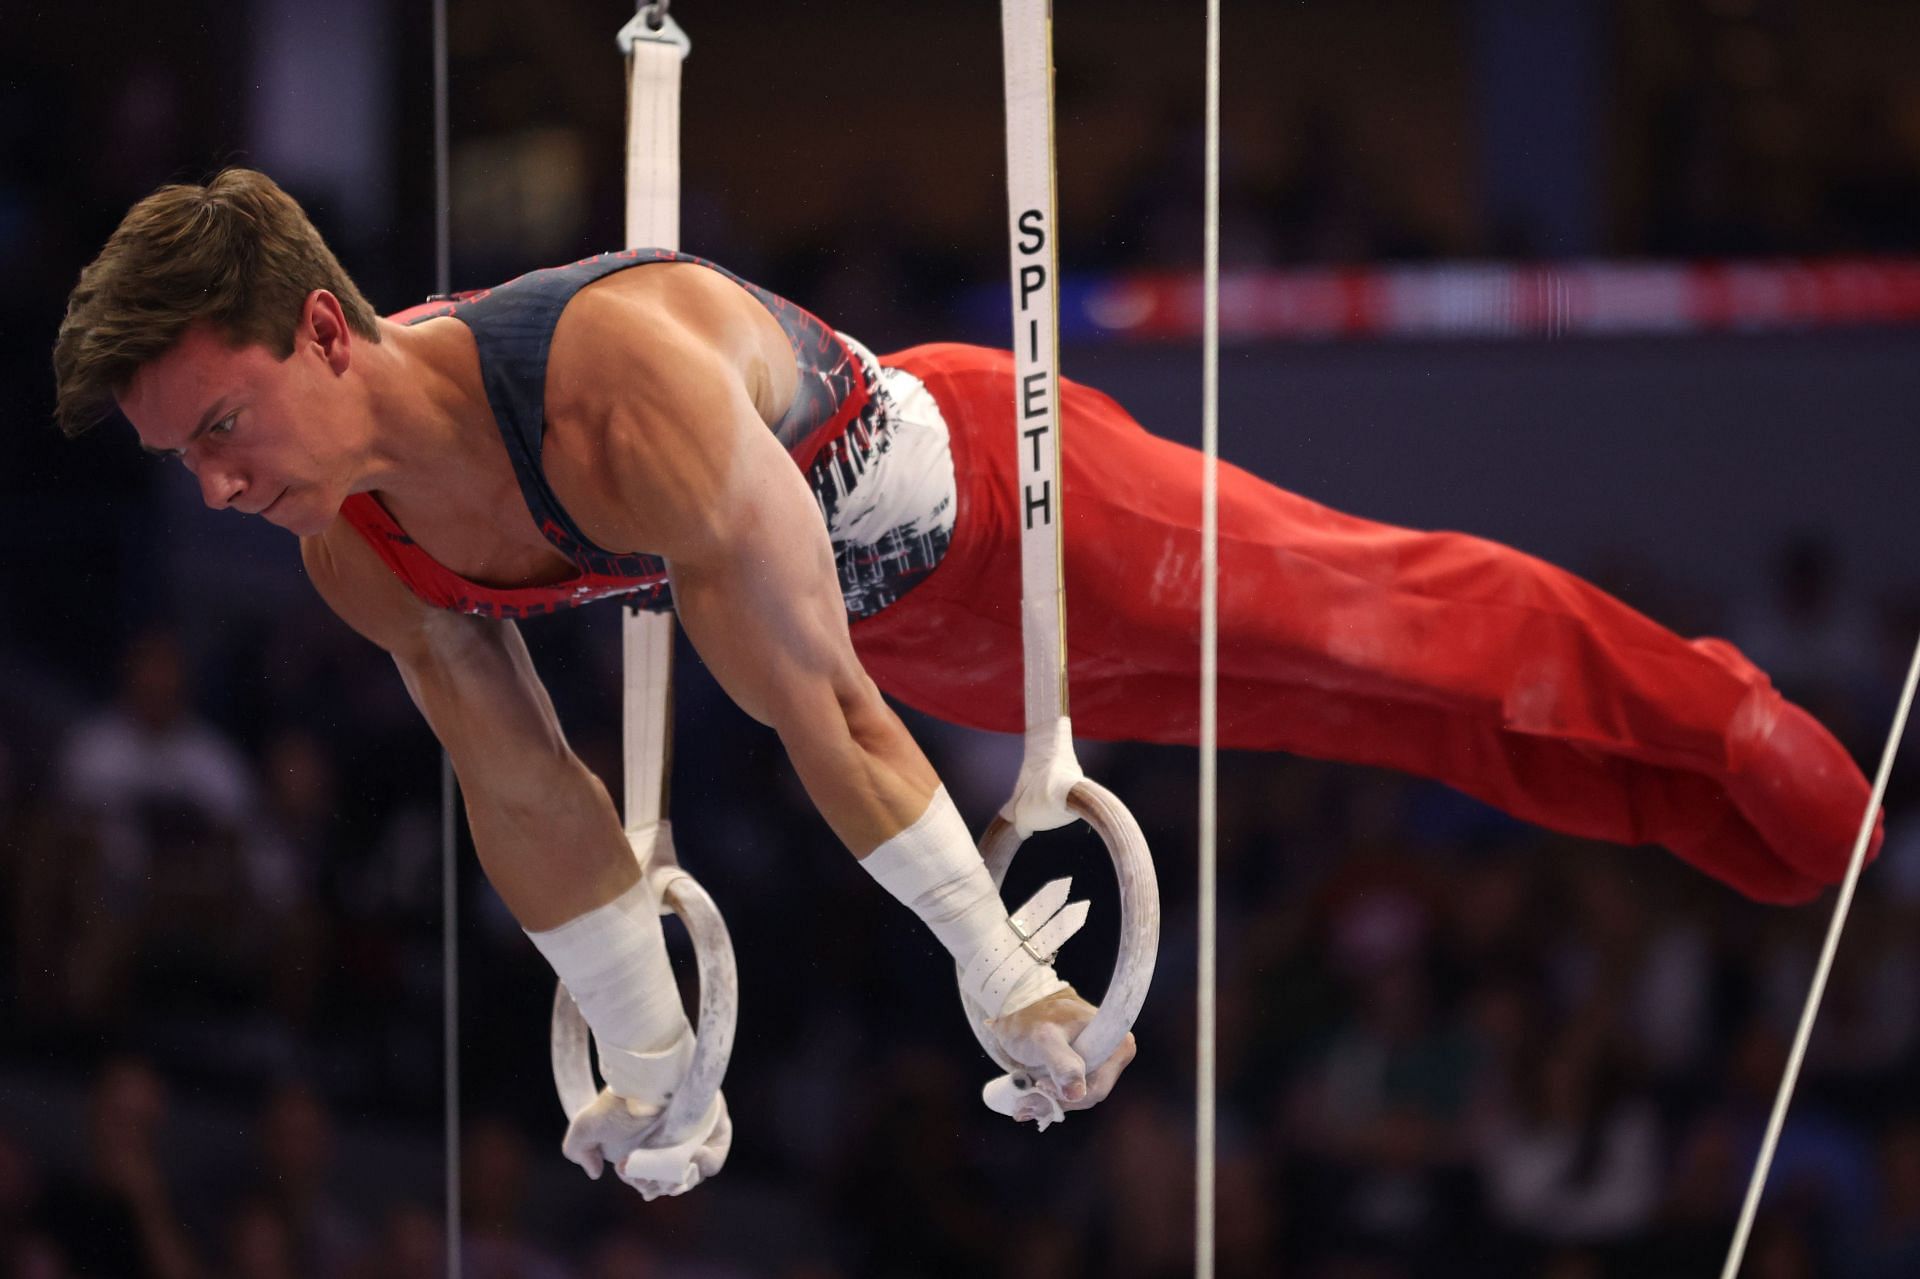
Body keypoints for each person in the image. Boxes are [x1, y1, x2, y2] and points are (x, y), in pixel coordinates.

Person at [52, 170, 1881, 1198]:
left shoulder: (614, 384)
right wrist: (649, 1046)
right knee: (1347, 720)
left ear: (317, 328)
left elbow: (819, 710)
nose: (215, 485)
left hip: (1033, 511)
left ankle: (1710, 705)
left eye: (220, 426)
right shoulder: (349, 541)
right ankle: (1671, 798)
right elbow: (520, 781)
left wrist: (998, 965)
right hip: (928, 644)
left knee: (1382, 626)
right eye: (178, 465)